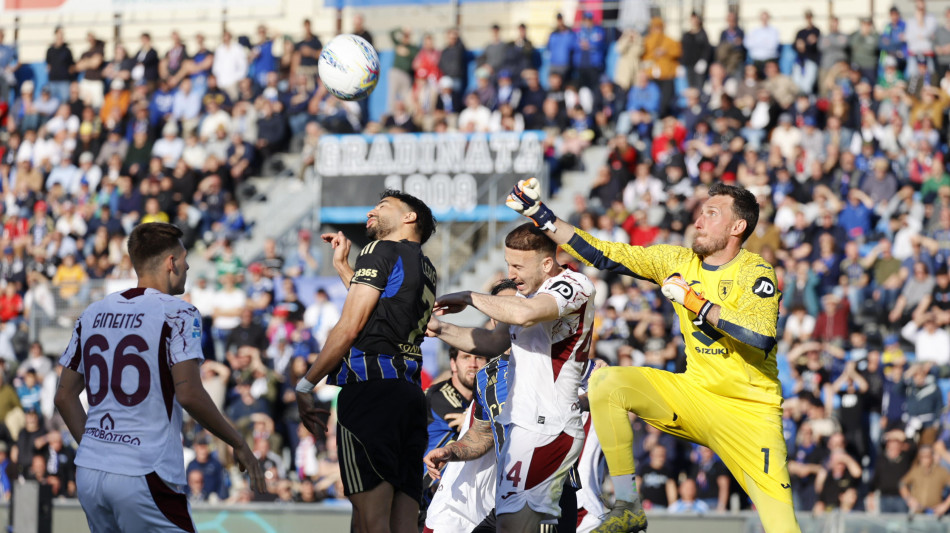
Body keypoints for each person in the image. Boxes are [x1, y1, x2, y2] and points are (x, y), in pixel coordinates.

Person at [505, 178, 799, 533]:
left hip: (751, 415)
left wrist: (696, 303)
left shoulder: (755, 271)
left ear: (738, 227)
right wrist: (542, 215)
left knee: (784, 529)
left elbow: (761, 336)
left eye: (711, 213)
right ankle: (629, 502)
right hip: (696, 395)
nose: (699, 221)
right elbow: (603, 253)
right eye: (699, 213)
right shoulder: (676, 260)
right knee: (607, 382)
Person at [54, 222, 266, 532]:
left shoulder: (92, 312)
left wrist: (96, 450)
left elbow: (64, 395)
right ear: (172, 262)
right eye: (185, 258)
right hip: (145, 471)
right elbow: (189, 393)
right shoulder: (178, 312)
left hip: (90, 472)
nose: (188, 265)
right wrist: (238, 442)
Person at [423, 222, 595, 532]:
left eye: (518, 266)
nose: (511, 274)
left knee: (514, 527)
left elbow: (524, 314)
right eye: (507, 264)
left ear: (546, 263)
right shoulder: (525, 296)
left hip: (550, 429)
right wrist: (441, 329)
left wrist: (470, 296)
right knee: (506, 526)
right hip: (523, 432)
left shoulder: (575, 284)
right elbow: (492, 341)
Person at [294, 190, 437, 533]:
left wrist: (305, 384)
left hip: (371, 391)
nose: (372, 210)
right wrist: (344, 266)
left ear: (409, 218)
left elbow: (349, 326)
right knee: (401, 523)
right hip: (408, 396)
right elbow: (379, 306)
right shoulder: (425, 266)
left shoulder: (378, 249)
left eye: (383, 206)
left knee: (369, 521)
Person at [423, 347, 488, 504]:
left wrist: (468, 417)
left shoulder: (483, 399)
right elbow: (480, 426)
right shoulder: (439, 395)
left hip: (464, 497)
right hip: (429, 496)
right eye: (466, 357)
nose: (473, 364)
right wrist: (471, 419)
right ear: (453, 364)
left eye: (479, 357)